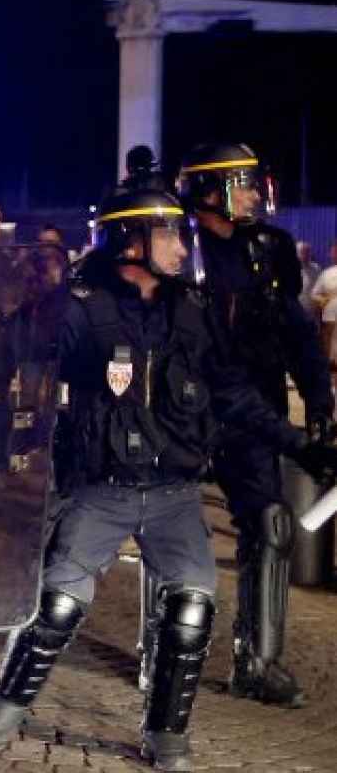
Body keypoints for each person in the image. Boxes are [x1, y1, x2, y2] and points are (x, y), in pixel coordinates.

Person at [0, 184, 310, 770]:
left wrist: (304, 446)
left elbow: (233, 395)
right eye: (169, 235)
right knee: (57, 604)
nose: (182, 248)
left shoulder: (194, 310)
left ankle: (167, 735)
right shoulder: (78, 306)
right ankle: (0, 712)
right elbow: (16, 362)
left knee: (192, 609)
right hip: (101, 489)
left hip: (177, 495)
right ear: (131, 241)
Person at [173, 143, 332, 707]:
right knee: (170, 536)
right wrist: (292, 438)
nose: (254, 195)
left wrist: (319, 404)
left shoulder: (271, 248)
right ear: (210, 193)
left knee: (270, 523)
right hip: (194, 413)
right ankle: (164, 656)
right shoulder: (180, 255)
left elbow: (297, 333)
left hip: (256, 413)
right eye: (241, 184)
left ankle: (258, 661)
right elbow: (215, 374)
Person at [311, 239, 337, 369]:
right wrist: (321, 300)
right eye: (334, 252)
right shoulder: (326, 273)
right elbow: (314, 294)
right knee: (329, 348)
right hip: (329, 318)